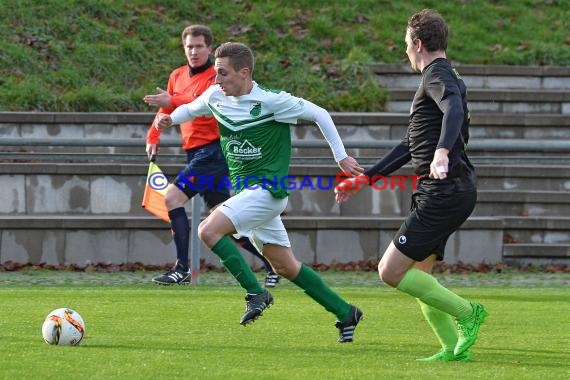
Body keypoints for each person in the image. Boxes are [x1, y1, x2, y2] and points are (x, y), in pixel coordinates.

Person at [156, 42, 364, 343]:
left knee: (207, 230)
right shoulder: (216, 95)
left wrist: (340, 157)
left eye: (223, 74)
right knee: (286, 266)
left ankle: (256, 293)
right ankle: (346, 312)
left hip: (267, 191)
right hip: (246, 195)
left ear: (244, 72)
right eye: (216, 73)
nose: (217, 80)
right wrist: (170, 118)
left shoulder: (271, 101)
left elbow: (319, 113)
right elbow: (192, 108)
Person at [335, 9, 487, 360]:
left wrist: (442, 153)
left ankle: (468, 313)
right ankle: (452, 349)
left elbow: (454, 110)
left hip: (443, 191)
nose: (405, 52)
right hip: (449, 190)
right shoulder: (443, 76)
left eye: (406, 44)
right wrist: (365, 178)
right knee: (420, 274)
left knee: (389, 271)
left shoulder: (437, 75)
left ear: (418, 44)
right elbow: (409, 144)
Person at [144, 25, 280, 288]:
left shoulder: (216, 77)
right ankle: (272, 263)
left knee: (172, 197)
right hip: (194, 151)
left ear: (209, 49)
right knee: (224, 217)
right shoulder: (177, 76)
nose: (193, 51)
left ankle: (181, 268)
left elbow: (198, 103)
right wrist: (153, 137)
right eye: (189, 46)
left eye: (199, 46)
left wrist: (171, 100)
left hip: (214, 151)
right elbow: (166, 109)